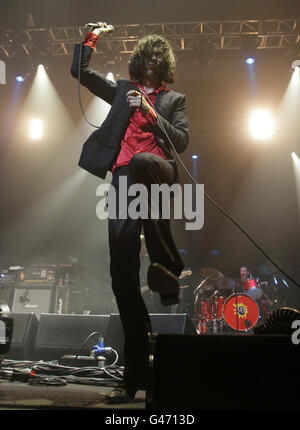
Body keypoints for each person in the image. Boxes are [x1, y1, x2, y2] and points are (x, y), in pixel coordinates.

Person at [70, 22, 189, 403]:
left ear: (165, 63)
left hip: (158, 170)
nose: (152, 60)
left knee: (140, 160)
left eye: (159, 56)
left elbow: (182, 141)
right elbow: (81, 74)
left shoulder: (174, 100)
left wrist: (152, 114)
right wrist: (90, 39)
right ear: (140, 60)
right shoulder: (124, 90)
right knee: (122, 276)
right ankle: (135, 375)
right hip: (124, 181)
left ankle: (167, 262)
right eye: (147, 55)